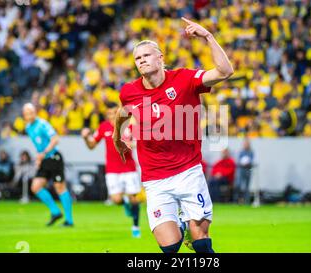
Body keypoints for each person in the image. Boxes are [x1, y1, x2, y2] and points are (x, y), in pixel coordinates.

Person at [113, 17, 234, 253]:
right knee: (170, 249)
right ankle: (180, 225)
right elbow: (123, 112)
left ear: (160, 58)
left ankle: (191, 231)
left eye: (146, 55)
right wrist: (118, 137)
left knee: (201, 244)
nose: (142, 61)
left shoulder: (185, 79)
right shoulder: (129, 92)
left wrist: (208, 36)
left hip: (188, 172)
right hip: (155, 179)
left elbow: (225, 71)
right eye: (138, 58)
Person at [81, 103, 142, 238]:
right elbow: (92, 145)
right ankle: (124, 203)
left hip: (129, 167)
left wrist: (128, 144)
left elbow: (138, 143)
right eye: (109, 114)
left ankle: (135, 226)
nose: (112, 116)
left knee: (134, 198)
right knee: (116, 199)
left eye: (114, 113)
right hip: (112, 170)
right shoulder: (103, 127)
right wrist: (86, 138)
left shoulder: (128, 125)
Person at [22, 103, 74, 227]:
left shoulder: (42, 124)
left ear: (35, 112)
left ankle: (69, 220)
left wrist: (43, 153)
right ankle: (55, 211)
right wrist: (39, 158)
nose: (30, 115)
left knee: (60, 187)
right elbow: (38, 144)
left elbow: (55, 139)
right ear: (24, 115)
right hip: (44, 159)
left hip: (54, 157)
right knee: (35, 187)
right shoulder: (28, 127)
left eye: (32, 112)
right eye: (27, 113)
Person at [233, 139, 255, 204]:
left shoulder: (251, 152)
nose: (246, 145)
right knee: (238, 185)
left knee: (247, 187)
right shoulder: (241, 152)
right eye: (245, 144)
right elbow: (238, 161)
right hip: (241, 170)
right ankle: (236, 200)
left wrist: (248, 163)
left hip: (248, 170)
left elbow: (251, 160)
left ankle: (247, 201)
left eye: (247, 144)